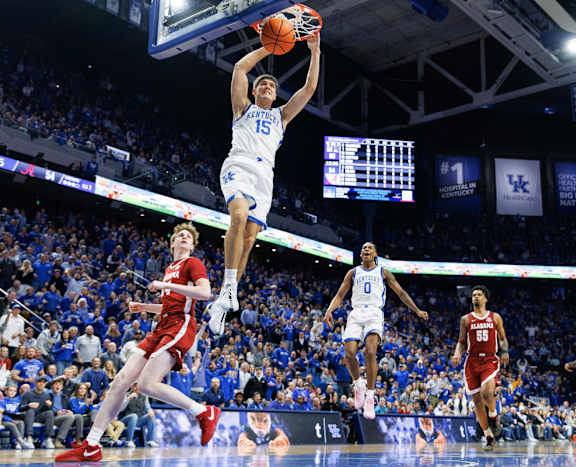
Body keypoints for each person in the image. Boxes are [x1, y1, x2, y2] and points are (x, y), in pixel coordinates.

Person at [56, 223, 219, 461]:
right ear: (172, 243)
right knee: (120, 381)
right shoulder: (170, 268)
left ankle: (204, 412)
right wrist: (144, 307)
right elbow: (169, 304)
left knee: (146, 385)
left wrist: (166, 285)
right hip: (162, 325)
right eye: (179, 235)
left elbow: (205, 293)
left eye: (188, 237)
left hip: (180, 325)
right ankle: (91, 444)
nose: (184, 237)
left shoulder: (192, 263)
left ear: (192, 245)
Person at [207, 33, 322, 334]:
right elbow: (239, 70)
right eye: (263, 84)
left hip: (264, 177)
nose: (268, 87)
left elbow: (309, 89)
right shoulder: (242, 108)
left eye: (272, 85)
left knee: (248, 240)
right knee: (238, 215)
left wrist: (315, 50)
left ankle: (225, 298)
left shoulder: (281, 117)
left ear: (275, 94)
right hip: (239, 165)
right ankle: (229, 289)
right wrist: (268, 46)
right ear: (256, 91)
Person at [324, 242, 428, 419]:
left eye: (369, 248)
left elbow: (401, 293)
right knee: (349, 354)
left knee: (370, 352)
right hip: (356, 312)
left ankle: (370, 397)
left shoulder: (382, 272)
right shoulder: (353, 272)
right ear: (361, 254)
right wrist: (329, 310)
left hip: (374, 312)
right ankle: (358, 385)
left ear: (375, 254)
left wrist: (416, 310)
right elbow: (341, 295)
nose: (365, 250)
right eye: (363, 248)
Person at [451, 285, 509, 451]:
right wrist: (457, 354)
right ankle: (488, 436)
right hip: (472, 362)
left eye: (478, 295)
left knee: (487, 392)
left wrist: (504, 351)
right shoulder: (466, 319)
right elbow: (461, 341)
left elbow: (503, 338)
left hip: (490, 360)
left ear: (485, 298)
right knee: (477, 403)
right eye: (473, 295)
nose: (475, 297)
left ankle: (494, 416)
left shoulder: (495, 317)